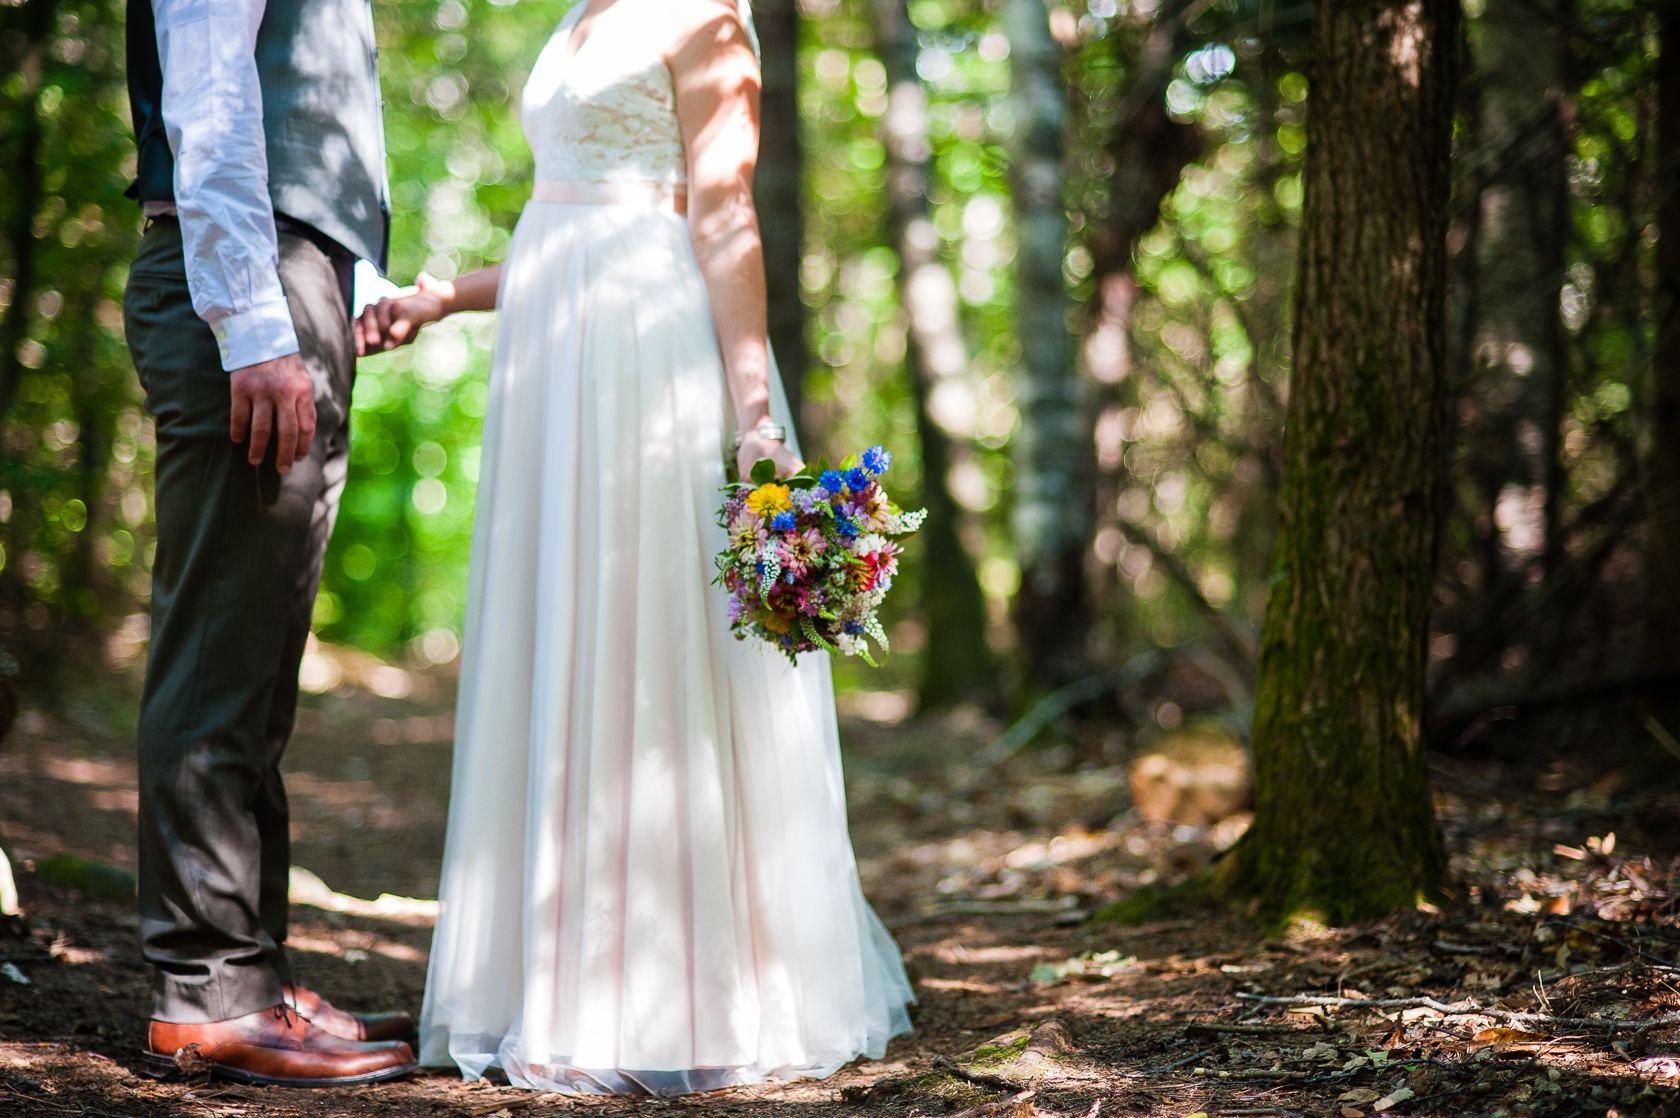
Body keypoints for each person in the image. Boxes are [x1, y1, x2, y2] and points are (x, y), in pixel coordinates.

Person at [356, 0, 915, 1094]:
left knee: (652, 653)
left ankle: (689, 999)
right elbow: (560, 224)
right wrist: (446, 299)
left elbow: (718, 210)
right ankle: (563, 986)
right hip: (552, 356)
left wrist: (755, 412)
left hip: (647, 353)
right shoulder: (578, 18)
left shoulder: (710, 17)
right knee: (566, 639)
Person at [122, 0, 418, 1087]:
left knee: (254, 665)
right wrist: (255, 321)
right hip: (245, 296)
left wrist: (352, 285)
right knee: (215, 651)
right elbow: (209, 90)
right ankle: (205, 992)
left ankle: (251, 969)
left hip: (297, 278)